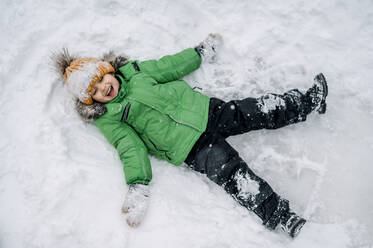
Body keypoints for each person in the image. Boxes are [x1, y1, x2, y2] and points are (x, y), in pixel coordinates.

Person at [52, 34, 328, 238]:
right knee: (236, 177)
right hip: (190, 148)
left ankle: (305, 103)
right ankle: (283, 217)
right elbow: (129, 147)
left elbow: (170, 66)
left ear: (108, 69)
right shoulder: (110, 119)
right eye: (97, 90)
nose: (105, 87)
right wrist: (137, 184)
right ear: (92, 100)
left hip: (206, 111)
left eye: (102, 78)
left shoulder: (136, 72)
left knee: (255, 110)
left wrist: (198, 53)